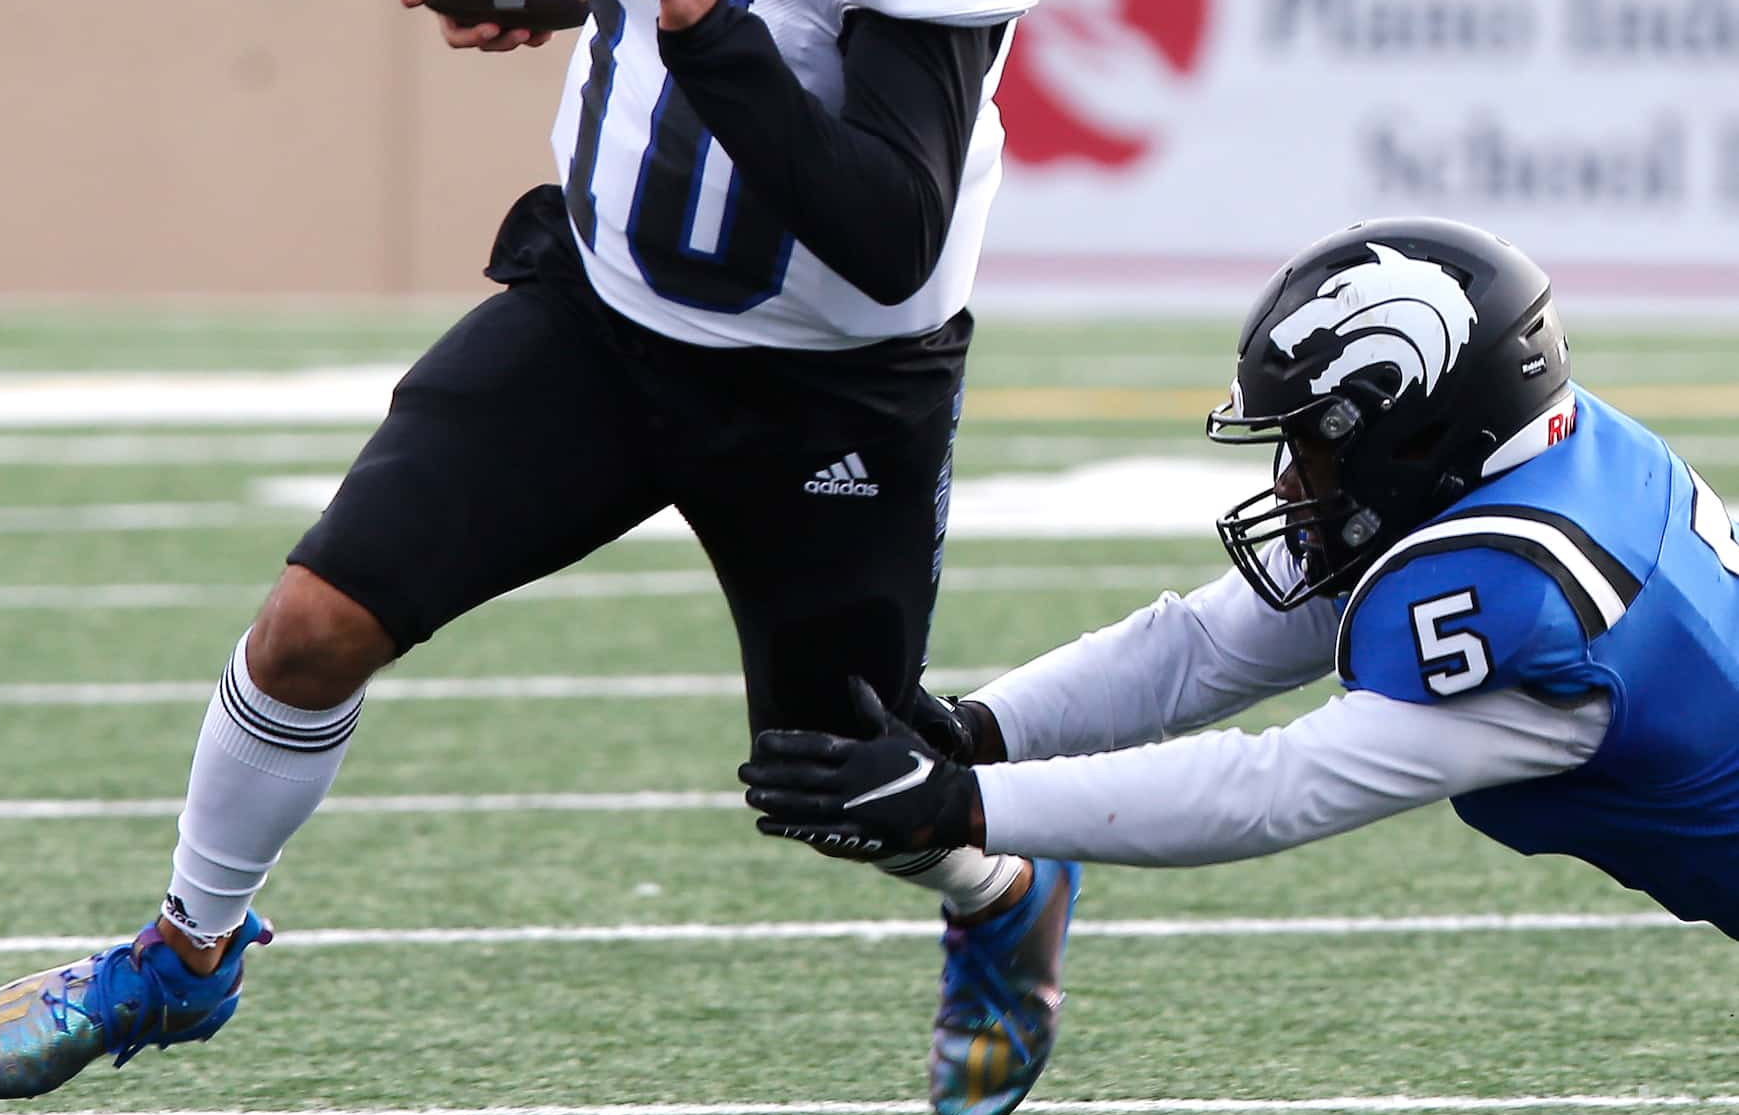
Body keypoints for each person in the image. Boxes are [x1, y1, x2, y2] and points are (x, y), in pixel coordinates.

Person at [0, 0, 1076, 1115]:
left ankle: (999, 895)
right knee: (312, 622)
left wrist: (714, 36)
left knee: (849, 785)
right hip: (604, 319)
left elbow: (888, 223)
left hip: (827, 380)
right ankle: (186, 946)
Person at [743, 216, 1739, 1044]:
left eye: (1310, 443)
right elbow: (1208, 645)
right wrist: (980, 733)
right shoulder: (1517, 456)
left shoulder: (1524, 599)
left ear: (1417, 428)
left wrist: (958, 809)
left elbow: (1274, 789)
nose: (1291, 480)